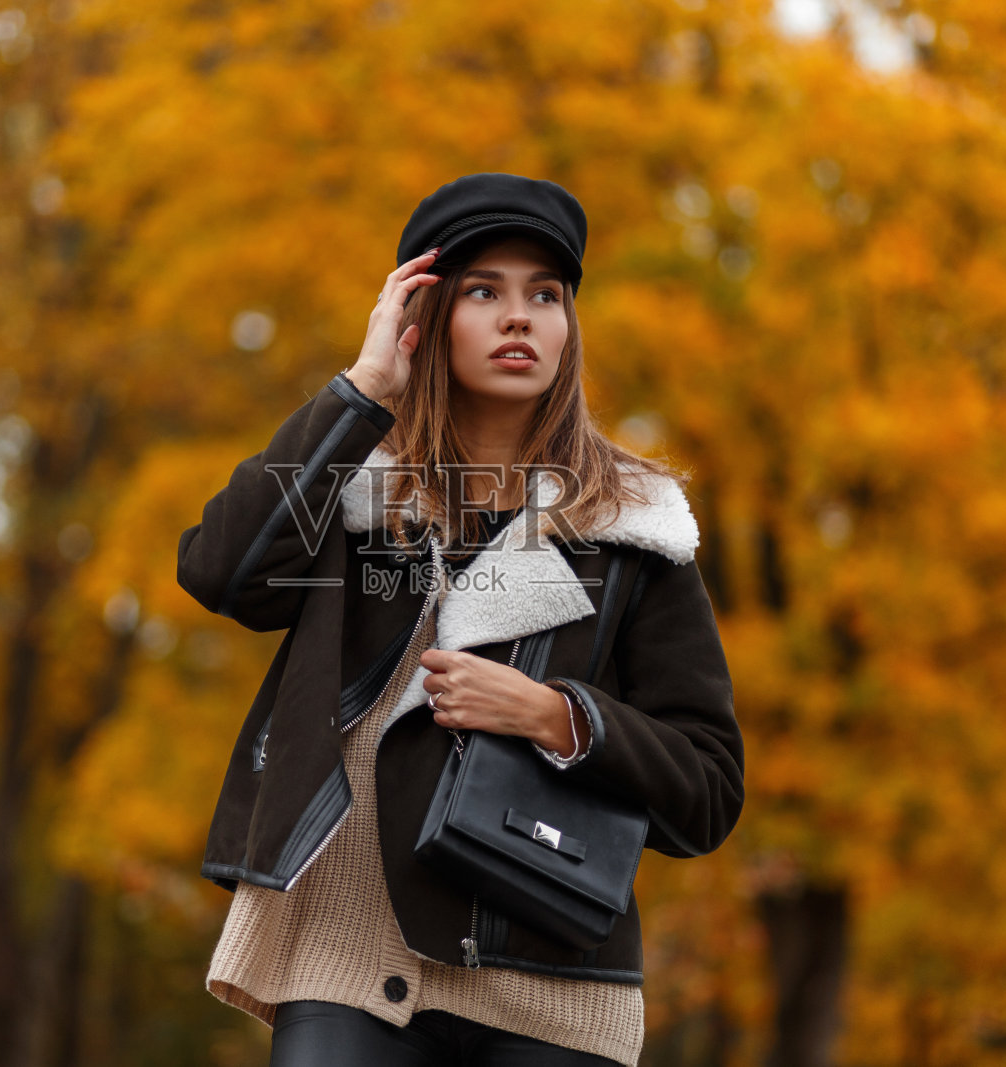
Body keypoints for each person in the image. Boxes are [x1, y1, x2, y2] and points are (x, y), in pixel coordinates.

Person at [176, 173, 744, 1067]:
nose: (520, 317)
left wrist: (557, 716)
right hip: (347, 957)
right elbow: (222, 570)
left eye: (544, 295)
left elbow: (708, 792)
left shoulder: (634, 529)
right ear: (427, 318)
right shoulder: (351, 494)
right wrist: (365, 388)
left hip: (552, 978)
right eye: (485, 291)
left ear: (567, 327)